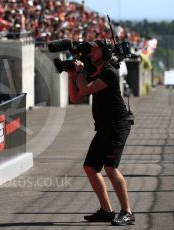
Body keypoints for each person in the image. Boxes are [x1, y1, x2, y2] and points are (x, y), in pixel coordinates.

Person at [68, 40, 135, 226]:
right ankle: (106, 211)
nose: (91, 52)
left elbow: (84, 89)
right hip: (104, 127)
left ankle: (127, 212)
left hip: (117, 125)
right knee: (90, 168)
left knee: (110, 167)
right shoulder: (96, 73)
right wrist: (71, 75)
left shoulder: (109, 72)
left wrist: (80, 72)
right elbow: (75, 97)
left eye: (95, 50)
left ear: (105, 53)